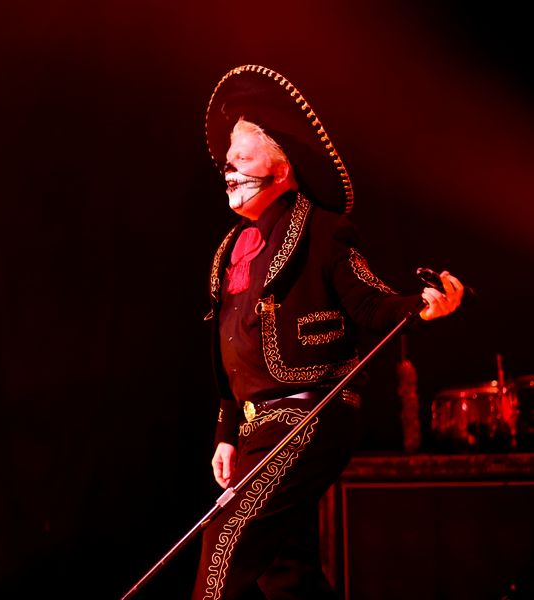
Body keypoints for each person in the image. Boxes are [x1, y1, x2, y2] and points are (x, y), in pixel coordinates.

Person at [191, 65, 464, 599]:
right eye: (227, 159)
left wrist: (421, 306)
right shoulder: (229, 250)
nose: (228, 167)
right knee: (284, 572)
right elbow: (230, 350)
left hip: (312, 412)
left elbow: (370, 301)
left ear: (282, 168)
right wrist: (226, 431)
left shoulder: (322, 230)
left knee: (226, 540)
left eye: (242, 157)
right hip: (256, 428)